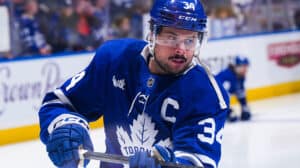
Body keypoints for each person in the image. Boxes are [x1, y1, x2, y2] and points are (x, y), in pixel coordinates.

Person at [38, 0, 229, 168]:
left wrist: (168, 165)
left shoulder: (206, 94)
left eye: (190, 40)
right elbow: (59, 103)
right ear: (152, 34)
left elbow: (198, 162)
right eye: (171, 37)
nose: (181, 50)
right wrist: (66, 126)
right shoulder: (115, 59)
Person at [216, 55, 251, 122]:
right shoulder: (226, 77)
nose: (245, 69)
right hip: (212, 103)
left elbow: (240, 93)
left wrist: (244, 107)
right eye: (243, 66)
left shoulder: (240, 77)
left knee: (245, 115)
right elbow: (217, 98)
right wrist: (228, 111)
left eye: (246, 66)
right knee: (232, 117)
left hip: (220, 102)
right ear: (236, 66)